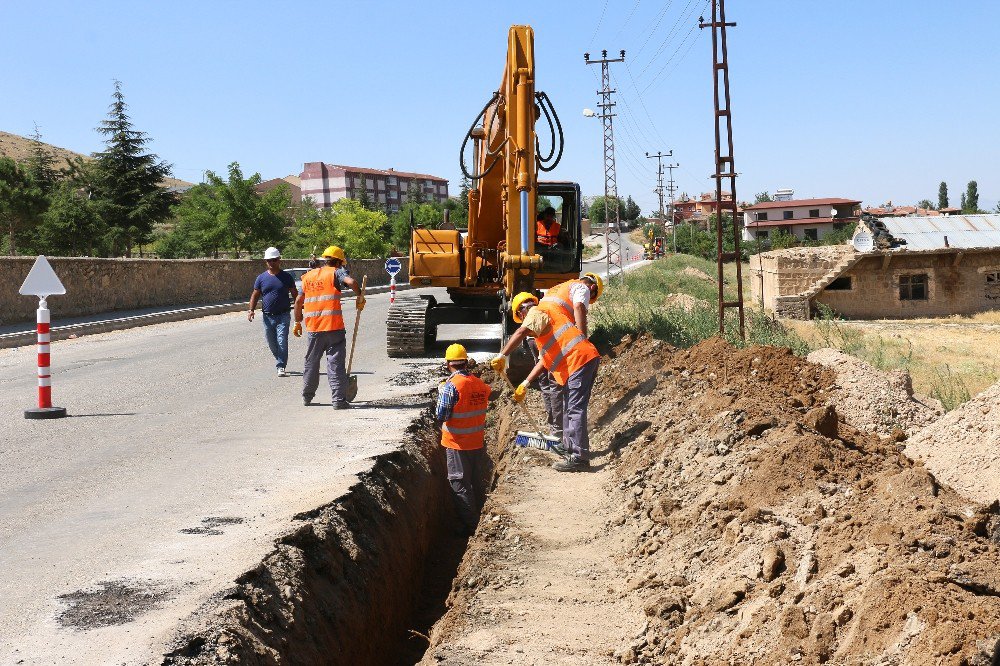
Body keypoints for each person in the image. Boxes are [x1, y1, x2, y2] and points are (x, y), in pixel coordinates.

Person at [491, 293, 600, 473]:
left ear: (522, 311)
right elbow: (543, 362)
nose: (526, 325)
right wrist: (525, 383)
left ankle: (580, 457)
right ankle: (569, 447)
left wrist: (503, 355)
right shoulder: (545, 325)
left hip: (580, 361)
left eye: (521, 318)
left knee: (574, 408)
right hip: (578, 363)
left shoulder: (536, 311)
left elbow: (521, 331)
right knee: (569, 407)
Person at [293, 245, 365, 408]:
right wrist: (359, 296)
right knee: (335, 364)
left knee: (311, 362)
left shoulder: (308, 276)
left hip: (314, 329)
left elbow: (298, 301)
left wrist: (297, 322)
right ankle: (338, 400)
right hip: (334, 328)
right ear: (339, 262)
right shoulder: (336, 272)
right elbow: (351, 282)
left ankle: (307, 396)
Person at [436, 344, 491, 536]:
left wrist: (441, 393)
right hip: (476, 442)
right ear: (466, 362)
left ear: (448, 364)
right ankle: (480, 518)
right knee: (475, 481)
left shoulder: (451, 386)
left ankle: (472, 527)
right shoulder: (480, 384)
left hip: (457, 443)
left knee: (459, 484)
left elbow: (441, 414)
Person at [248, 247, 297, 377]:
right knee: (271, 342)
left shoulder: (286, 277)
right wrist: (251, 310)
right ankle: (280, 359)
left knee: (281, 340)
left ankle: (281, 365)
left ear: (279, 260)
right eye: (269, 260)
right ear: (266, 261)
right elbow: (255, 294)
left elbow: (295, 294)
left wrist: (300, 309)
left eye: (274, 260)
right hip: (267, 316)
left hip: (283, 314)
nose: (271, 263)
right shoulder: (261, 278)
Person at [540, 272, 604, 337]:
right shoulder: (583, 288)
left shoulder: (564, 286)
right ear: (593, 287)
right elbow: (579, 307)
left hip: (536, 331)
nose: (587, 299)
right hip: (552, 329)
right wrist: (583, 338)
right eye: (591, 297)